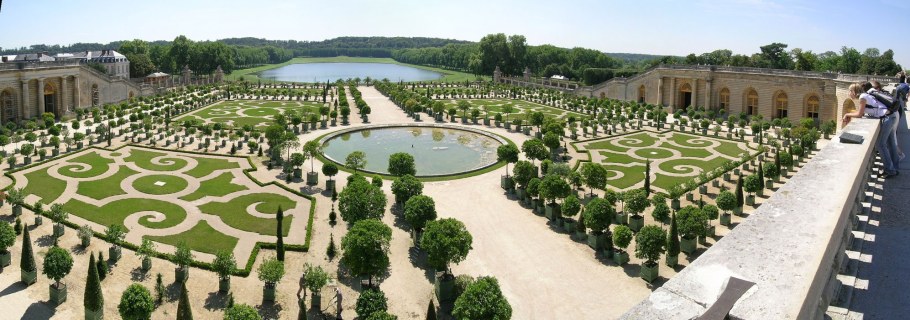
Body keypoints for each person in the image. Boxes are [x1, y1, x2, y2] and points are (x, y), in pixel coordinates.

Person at [843, 82, 901, 177]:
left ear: (853, 91)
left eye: (849, 91)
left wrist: (847, 114)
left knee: (880, 144)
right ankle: (895, 167)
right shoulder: (865, 96)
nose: (848, 93)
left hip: (888, 118)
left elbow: (859, 114)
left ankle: (890, 170)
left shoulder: (862, 97)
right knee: (890, 143)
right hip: (891, 116)